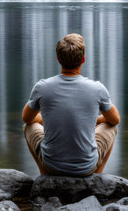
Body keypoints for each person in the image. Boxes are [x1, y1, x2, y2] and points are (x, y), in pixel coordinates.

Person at [22, 33, 120, 176]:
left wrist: (46, 120)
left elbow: (27, 119)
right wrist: (95, 120)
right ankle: (97, 175)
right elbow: (115, 119)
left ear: (58, 59)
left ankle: (44, 174)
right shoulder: (97, 88)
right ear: (83, 59)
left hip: (51, 165)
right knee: (111, 127)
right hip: (87, 167)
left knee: (28, 127)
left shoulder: (42, 87)